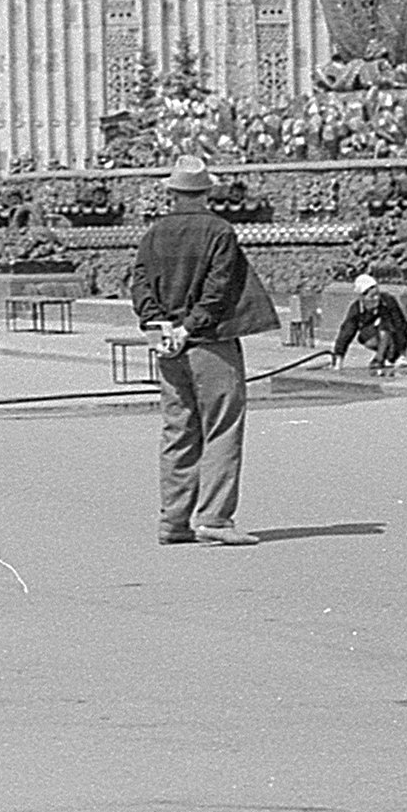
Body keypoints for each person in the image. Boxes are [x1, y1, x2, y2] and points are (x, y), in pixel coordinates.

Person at [127, 159, 264, 547]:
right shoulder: (219, 230)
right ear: (206, 193)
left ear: (171, 193)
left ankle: (173, 521)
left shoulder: (154, 233)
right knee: (222, 426)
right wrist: (190, 326)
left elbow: (139, 286)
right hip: (209, 342)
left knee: (178, 429)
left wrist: (161, 326)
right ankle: (215, 518)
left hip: (168, 344)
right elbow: (218, 289)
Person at [330, 272, 407, 375]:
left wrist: (402, 351)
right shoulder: (356, 309)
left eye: (377, 294)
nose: (376, 298)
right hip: (374, 335)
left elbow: (399, 325)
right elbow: (346, 332)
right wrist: (339, 357)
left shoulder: (388, 301)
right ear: (362, 297)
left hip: (392, 335)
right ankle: (385, 355)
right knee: (364, 336)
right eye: (372, 296)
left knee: (385, 326)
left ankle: (391, 356)